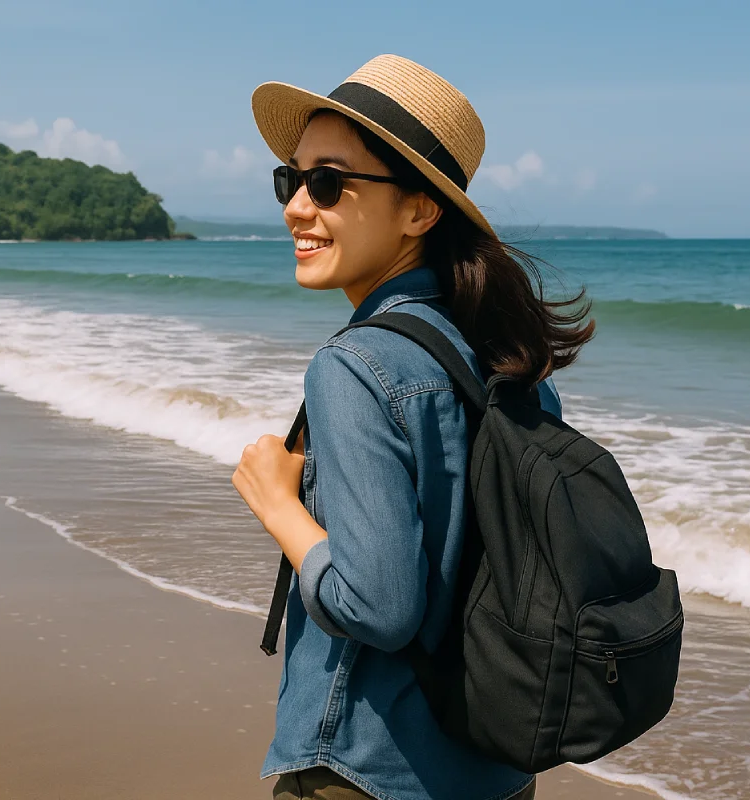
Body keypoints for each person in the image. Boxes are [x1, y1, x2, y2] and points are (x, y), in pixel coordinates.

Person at [231, 54, 594, 800]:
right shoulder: (507, 356)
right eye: (290, 179)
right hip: (492, 769)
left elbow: (378, 605)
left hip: (364, 766)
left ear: (420, 210)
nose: (298, 206)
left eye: (328, 182)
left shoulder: (356, 365)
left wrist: (278, 506)